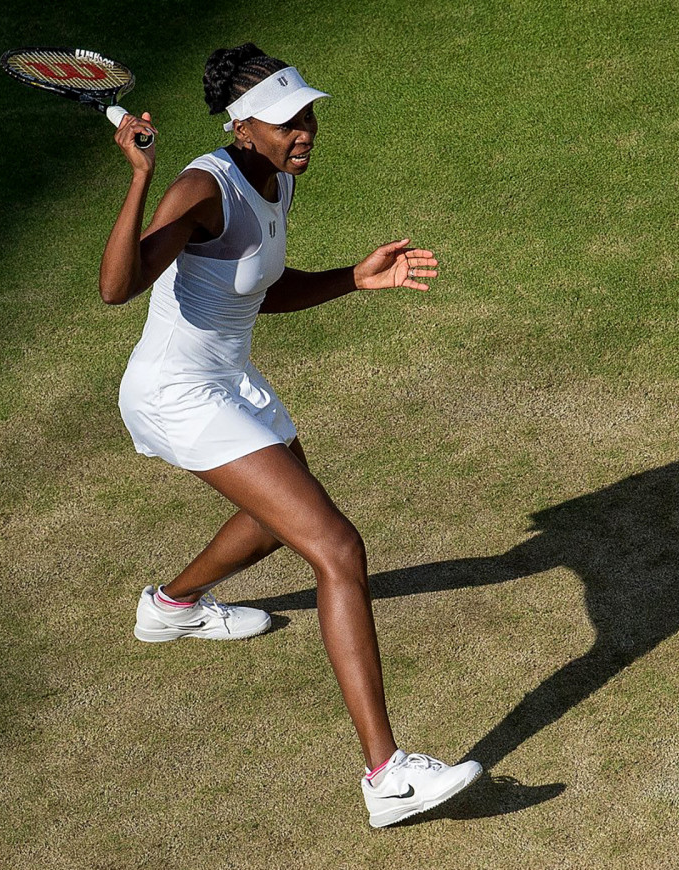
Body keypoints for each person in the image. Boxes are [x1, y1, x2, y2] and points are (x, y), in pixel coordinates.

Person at [99, 43, 481, 828]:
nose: (304, 129)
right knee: (337, 548)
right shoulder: (202, 185)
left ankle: (170, 607)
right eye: (284, 121)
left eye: (305, 114)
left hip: (229, 381)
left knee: (275, 529)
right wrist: (141, 179)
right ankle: (387, 776)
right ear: (242, 127)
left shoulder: (274, 179)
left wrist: (353, 277)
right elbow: (117, 286)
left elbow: (258, 290)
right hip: (175, 392)